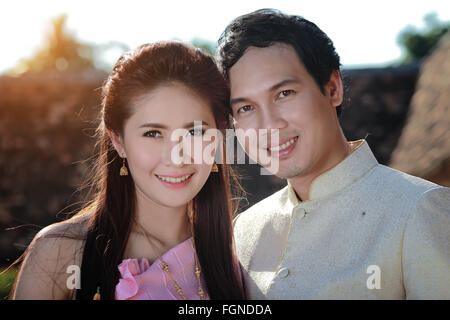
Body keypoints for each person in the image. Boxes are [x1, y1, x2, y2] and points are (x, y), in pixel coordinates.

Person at [216, 9, 450, 299]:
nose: (269, 126)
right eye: (245, 108)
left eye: (284, 93)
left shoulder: (420, 209)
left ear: (333, 88)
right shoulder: (245, 230)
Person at [11, 41, 246, 300]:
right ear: (118, 141)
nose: (176, 157)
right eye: (153, 133)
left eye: (194, 132)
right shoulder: (63, 253)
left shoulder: (241, 254)